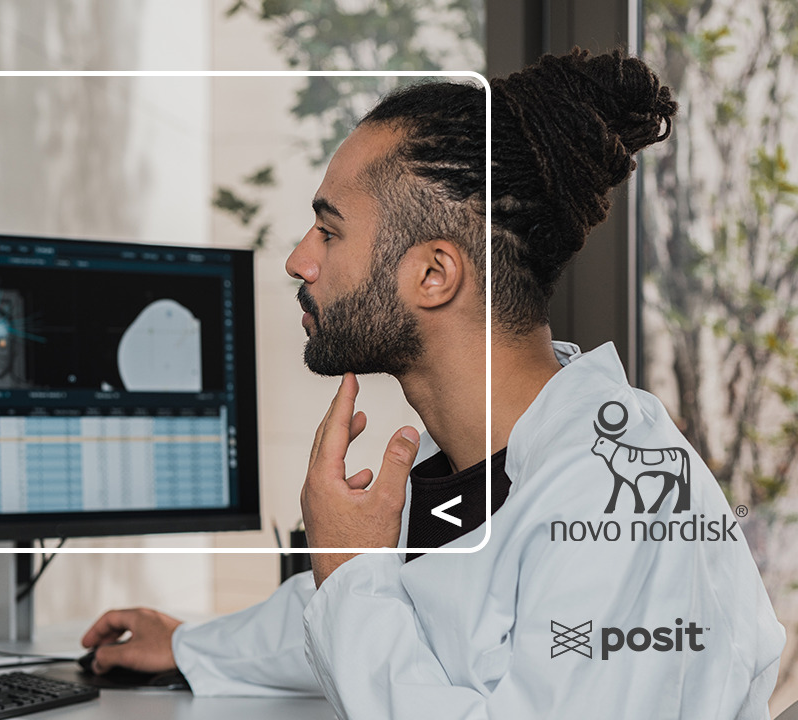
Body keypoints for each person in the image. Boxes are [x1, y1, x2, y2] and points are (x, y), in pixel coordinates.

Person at [80, 48, 786, 719]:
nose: (299, 260)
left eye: (329, 232)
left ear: (434, 275)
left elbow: (368, 601)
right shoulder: (471, 465)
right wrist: (188, 644)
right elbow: (410, 610)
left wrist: (350, 572)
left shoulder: (617, 505)